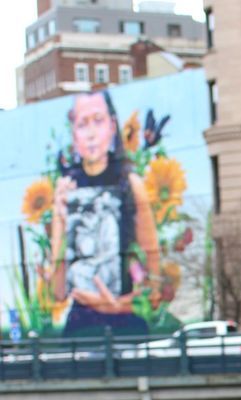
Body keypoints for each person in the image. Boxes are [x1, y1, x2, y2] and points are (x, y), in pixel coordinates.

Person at [50, 90, 161, 337]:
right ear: (73, 132)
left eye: (98, 121)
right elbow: (57, 292)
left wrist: (119, 305)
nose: (90, 134)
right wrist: (59, 217)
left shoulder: (131, 184)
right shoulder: (65, 188)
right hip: (81, 325)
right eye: (82, 124)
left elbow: (153, 271)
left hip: (125, 323)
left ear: (112, 126)